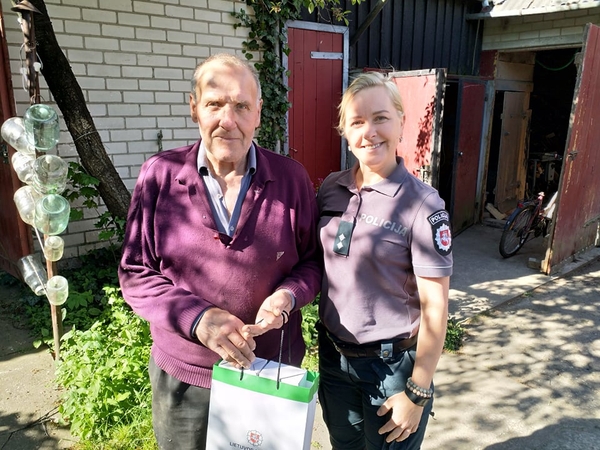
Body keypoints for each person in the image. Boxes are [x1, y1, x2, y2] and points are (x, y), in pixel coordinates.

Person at [118, 53, 321, 450]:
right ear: (194, 107)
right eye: (215, 104)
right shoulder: (159, 175)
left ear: (258, 113)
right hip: (185, 378)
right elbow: (134, 272)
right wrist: (198, 319)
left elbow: (313, 262)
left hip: (268, 376)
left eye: (242, 106)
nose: (228, 120)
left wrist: (289, 295)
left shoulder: (291, 178)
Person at [316, 72, 453, 450]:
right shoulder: (331, 189)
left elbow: (436, 307)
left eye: (380, 118)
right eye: (357, 122)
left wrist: (417, 392)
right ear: (345, 131)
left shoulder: (422, 205)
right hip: (334, 360)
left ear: (400, 122)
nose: (369, 132)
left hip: (390, 370)